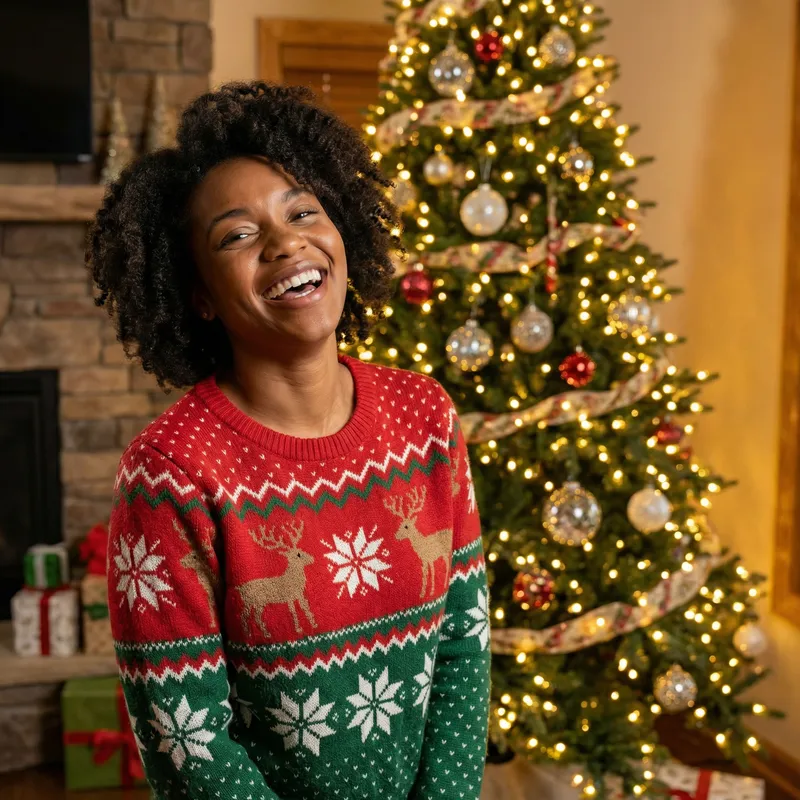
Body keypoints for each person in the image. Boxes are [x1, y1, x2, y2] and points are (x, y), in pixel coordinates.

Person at [89, 82, 490, 799]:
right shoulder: (170, 475)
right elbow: (190, 741)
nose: (285, 242)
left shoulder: (426, 416)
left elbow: (463, 645)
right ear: (200, 295)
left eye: (304, 211)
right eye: (237, 235)